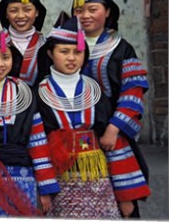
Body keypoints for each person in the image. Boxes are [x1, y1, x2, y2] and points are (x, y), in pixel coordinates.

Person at [72, 0, 151, 217]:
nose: (86, 15)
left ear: (107, 12)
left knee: (124, 203)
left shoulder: (122, 48)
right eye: (79, 10)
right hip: (74, 135)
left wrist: (113, 129)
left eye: (93, 9)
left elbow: (133, 92)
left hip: (111, 134)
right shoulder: (66, 46)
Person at [0, 16, 59, 217]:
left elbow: (38, 142)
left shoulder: (26, 94)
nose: (0, 64)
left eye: (6, 57)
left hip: (22, 178)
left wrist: (46, 187)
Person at [36, 13, 122, 218]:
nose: (72, 58)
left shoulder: (95, 91)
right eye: (64, 51)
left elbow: (113, 143)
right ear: (50, 53)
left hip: (96, 177)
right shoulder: (37, 93)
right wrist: (44, 186)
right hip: (57, 177)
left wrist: (125, 193)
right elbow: (35, 143)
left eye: (78, 52)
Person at [0, 0, 47, 86]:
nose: (20, 16)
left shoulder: (46, 45)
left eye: (27, 9)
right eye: (13, 10)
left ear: (37, 12)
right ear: (5, 14)